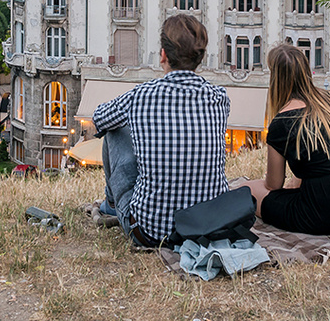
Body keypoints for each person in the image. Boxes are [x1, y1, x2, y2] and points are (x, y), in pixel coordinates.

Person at [93, 14, 229, 247]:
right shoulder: (219, 98)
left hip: (150, 232)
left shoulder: (142, 96)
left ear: (163, 55)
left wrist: (134, 122)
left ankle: (112, 205)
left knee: (114, 129)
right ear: (200, 58)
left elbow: (99, 120)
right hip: (208, 227)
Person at [247, 44, 330, 235]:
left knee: (247, 189)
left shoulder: (282, 122)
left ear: (275, 79)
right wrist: (298, 178)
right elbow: (328, 156)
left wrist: (265, 181)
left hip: (322, 213)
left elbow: (273, 185)